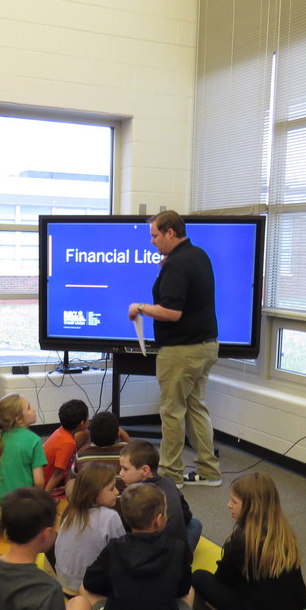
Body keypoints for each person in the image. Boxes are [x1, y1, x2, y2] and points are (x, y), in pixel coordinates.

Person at [127, 210, 221, 488]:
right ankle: (209, 471)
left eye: (155, 235)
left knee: (172, 411)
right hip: (206, 346)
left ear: (170, 232)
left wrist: (140, 308)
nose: (152, 242)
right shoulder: (198, 255)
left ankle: (170, 475)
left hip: (182, 351)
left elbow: (172, 312)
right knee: (195, 407)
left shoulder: (177, 265)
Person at [80, 484, 194, 610]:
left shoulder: (114, 548)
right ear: (158, 519)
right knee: (191, 591)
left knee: (83, 589)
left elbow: (90, 583)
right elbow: (182, 591)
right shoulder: (178, 549)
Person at [191, 473, 306, 610]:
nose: (228, 505)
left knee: (198, 576)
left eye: (234, 501)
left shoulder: (241, 541)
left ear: (251, 508)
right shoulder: (284, 533)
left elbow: (222, 579)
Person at [0, 394, 47, 542]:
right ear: (18, 419)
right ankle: (15, 524)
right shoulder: (33, 440)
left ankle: (0, 512)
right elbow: (39, 482)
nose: (34, 409)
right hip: (19, 501)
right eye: (29, 407)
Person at [53, 464, 125, 595]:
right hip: (90, 590)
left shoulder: (69, 513)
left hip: (64, 584)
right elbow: (123, 554)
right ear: (95, 494)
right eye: (111, 489)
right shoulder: (110, 517)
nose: (117, 492)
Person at [118, 440, 202, 552]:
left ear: (145, 470)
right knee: (195, 524)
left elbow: (127, 528)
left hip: (151, 553)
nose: (120, 473)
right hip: (180, 553)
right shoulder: (169, 482)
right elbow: (187, 514)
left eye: (125, 469)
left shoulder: (133, 495)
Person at [74, 410, 131, 493]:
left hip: (92, 502)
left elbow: (76, 476)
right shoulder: (127, 452)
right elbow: (134, 449)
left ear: (91, 434)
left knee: (70, 482)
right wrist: (123, 434)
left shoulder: (82, 453)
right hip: (124, 502)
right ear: (117, 434)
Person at [42, 398, 89, 497]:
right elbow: (58, 473)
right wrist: (44, 497)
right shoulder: (68, 443)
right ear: (81, 424)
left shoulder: (61, 431)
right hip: (47, 484)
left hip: (50, 477)